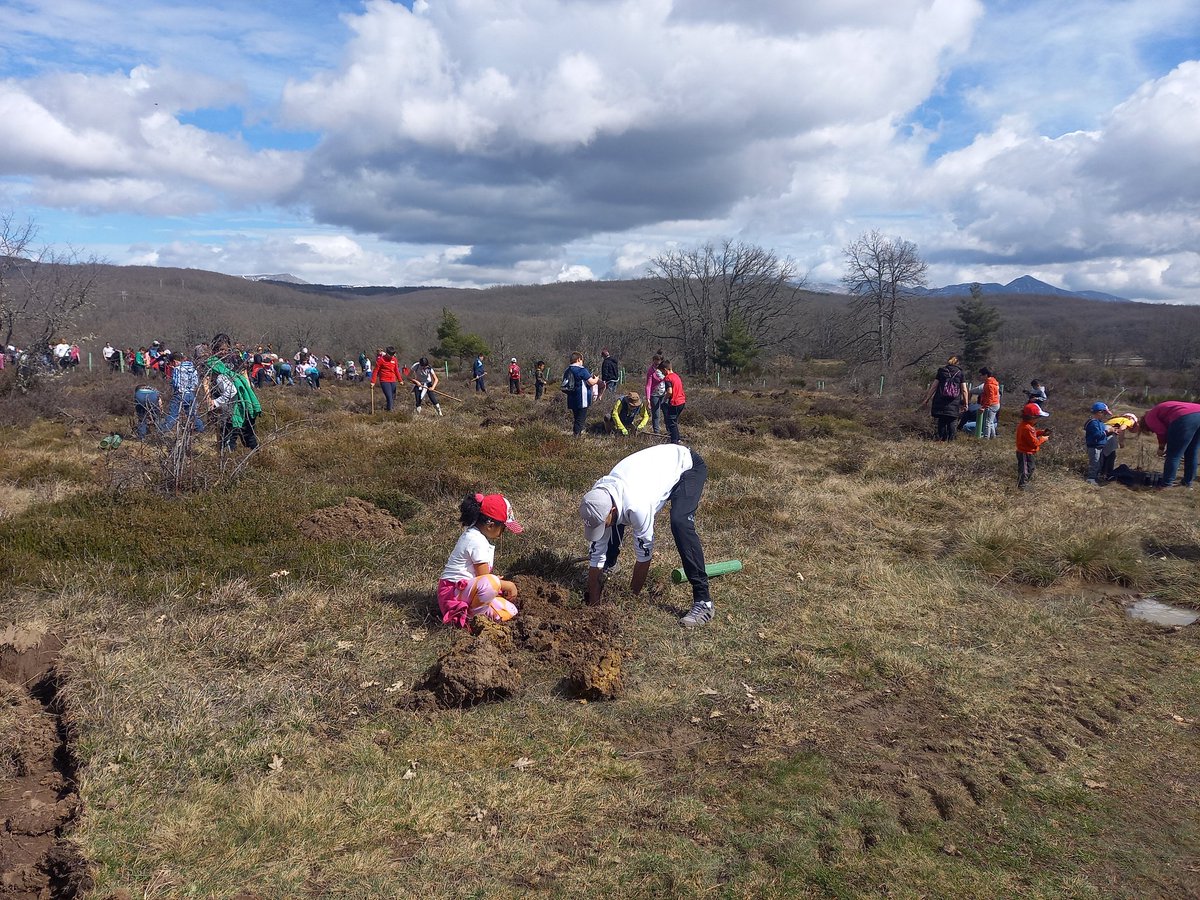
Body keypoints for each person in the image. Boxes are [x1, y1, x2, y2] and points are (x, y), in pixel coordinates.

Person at [580, 444, 713, 628]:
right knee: (613, 522)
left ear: (611, 509)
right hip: (651, 473)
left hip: (687, 466)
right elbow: (596, 555)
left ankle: (703, 601)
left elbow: (644, 558)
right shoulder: (598, 497)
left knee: (680, 522)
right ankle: (611, 564)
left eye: (603, 521)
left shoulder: (638, 506)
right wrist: (594, 606)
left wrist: (630, 599)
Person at [438, 492, 523, 628]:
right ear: (490, 525)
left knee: (511, 611)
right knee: (491, 583)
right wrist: (508, 585)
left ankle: (479, 614)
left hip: (464, 592)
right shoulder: (476, 541)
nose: (502, 534)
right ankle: (471, 620)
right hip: (452, 594)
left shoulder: (475, 535)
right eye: (503, 529)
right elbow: (484, 578)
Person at [205, 343, 261, 451]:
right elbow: (206, 381)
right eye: (221, 349)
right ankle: (229, 462)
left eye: (226, 349)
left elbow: (245, 376)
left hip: (242, 401)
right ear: (215, 349)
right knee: (228, 436)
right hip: (225, 404)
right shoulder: (212, 363)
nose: (224, 352)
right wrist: (210, 401)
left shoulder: (235, 359)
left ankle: (257, 458)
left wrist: (248, 396)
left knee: (248, 435)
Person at [1140, 400, 1200, 488]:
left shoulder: (1149, 418)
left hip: (1184, 416)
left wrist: (1161, 447)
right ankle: (1188, 483)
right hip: (1197, 412)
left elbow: (1161, 431)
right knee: (1192, 452)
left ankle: (1167, 484)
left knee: (1173, 455)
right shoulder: (1158, 411)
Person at [920, 355, 968, 441]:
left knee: (941, 421)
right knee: (952, 421)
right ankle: (951, 441)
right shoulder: (960, 373)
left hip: (940, 400)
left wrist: (927, 399)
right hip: (954, 401)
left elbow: (934, 386)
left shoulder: (942, 371)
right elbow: (964, 390)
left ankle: (941, 440)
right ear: (957, 363)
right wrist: (966, 403)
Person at [160, 350, 205, 434]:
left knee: (173, 415)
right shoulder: (193, 368)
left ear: (174, 361)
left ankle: (161, 432)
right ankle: (201, 431)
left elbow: (176, 384)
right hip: (191, 394)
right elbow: (196, 382)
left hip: (180, 394)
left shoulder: (177, 369)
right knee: (192, 415)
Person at [1015, 402, 1051, 490]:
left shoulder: (1026, 425)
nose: (1038, 419)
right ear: (1032, 417)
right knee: (1025, 470)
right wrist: (1043, 438)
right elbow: (1034, 442)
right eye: (1038, 417)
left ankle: (1024, 484)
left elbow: (1032, 434)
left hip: (1026, 452)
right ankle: (1022, 486)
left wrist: (1041, 432)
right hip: (1025, 452)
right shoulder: (1028, 428)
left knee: (1030, 468)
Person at [562, 352, 599, 436]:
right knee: (580, 419)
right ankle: (576, 436)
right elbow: (591, 382)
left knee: (576, 417)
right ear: (578, 359)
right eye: (582, 360)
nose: (582, 362)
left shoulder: (567, 370)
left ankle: (576, 434)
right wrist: (596, 379)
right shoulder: (581, 370)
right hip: (582, 399)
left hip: (571, 398)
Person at [1100, 412, 1138, 481]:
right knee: (1110, 455)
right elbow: (1122, 429)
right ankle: (1108, 474)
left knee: (1103, 454)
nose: (1132, 425)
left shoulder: (1117, 419)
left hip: (1102, 431)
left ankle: (1101, 473)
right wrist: (1121, 442)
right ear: (1131, 418)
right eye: (1134, 422)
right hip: (1109, 433)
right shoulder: (1127, 420)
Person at [1084, 402, 1113, 485]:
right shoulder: (1093, 423)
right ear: (1099, 412)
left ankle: (1096, 477)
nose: (1105, 415)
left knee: (1100, 462)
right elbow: (1096, 435)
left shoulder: (1100, 423)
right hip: (1094, 446)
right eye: (1104, 413)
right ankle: (1091, 478)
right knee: (1095, 463)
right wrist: (1107, 431)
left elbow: (1102, 433)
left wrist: (1111, 432)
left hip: (1100, 446)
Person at [660, 359, 687, 444]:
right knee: (674, 422)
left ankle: (674, 441)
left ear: (665, 369)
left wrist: (664, 400)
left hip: (675, 402)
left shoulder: (668, 378)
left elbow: (670, 391)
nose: (662, 374)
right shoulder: (676, 376)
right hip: (682, 401)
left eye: (662, 372)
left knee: (671, 422)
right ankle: (677, 438)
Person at [373, 347, 400, 411]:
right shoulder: (381, 360)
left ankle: (389, 409)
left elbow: (396, 370)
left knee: (393, 397)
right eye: (390, 355)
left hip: (393, 380)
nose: (391, 357)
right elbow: (375, 371)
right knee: (389, 397)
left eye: (393, 355)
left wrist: (400, 380)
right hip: (384, 381)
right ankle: (390, 411)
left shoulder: (394, 360)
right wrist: (373, 382)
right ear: (387, 353)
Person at [645, 353, 666, 434]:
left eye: (658, 363)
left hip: (664, 394)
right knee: (656, 414)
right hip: (655, 394)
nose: (656, 365)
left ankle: (669, 430)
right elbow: (648, 385)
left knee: (666, 413)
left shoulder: (664, 369)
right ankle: (656, 432)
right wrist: (648, 398)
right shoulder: (651, 371)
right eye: (655, 363)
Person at [978, 367, 1001, 439]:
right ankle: (993, 436)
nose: (980, 376)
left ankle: (986, 437)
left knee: (987, 422)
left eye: (981, 375)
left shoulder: (989, 385)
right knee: (991, 422)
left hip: (991, 405)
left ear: (986, 375)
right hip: (996, 404)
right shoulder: (993, 382)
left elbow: (990, 397)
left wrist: (984, 407)